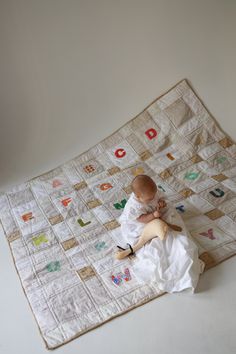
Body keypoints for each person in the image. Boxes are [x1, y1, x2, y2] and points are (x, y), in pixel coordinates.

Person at [117, 174, 205, 293]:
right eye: (149, 199)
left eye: (154, 194)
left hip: (157, 215)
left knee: (173, 227)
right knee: (154, 243)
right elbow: (141, 219)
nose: (153, 198)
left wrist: (161, 204)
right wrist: (152, 216)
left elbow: (161, 199)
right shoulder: (133, 206)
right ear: (138, 196)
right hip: (142, 222)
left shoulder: (153, 193)